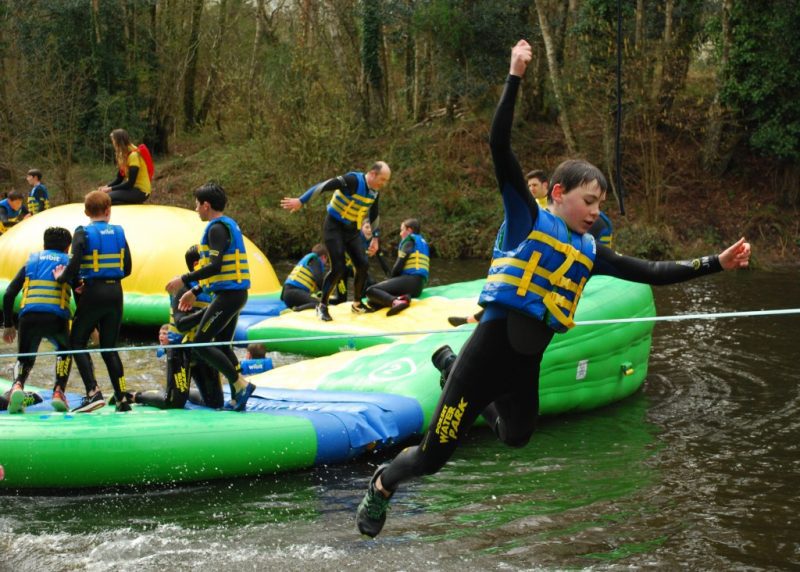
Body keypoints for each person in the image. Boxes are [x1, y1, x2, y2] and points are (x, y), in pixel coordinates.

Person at [354, 39, 752, 538]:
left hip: (524, 366)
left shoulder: (590, 252)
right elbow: (499, 146)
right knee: (433, 458)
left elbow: (652, 271)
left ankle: (449, 370)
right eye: (588, 201)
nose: (595, 212)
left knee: (517, 438)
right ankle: (383, 484)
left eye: (600, 204)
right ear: (559, 194)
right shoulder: (526, 219)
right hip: (485, 357)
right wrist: (514, 75)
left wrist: (715, 262)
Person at [165, 182, 255, 412]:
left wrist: (184, 279)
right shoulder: (227, 225)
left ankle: (241, 385)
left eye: (197, 204)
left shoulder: (216, 228)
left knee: (202, 343)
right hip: (234, 294)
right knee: (224, 346)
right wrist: (195, 291)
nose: (195, 209)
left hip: (229, 296)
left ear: (206, 205)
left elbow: (215, 266)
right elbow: (218, 271)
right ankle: (238, 395)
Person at [280, 161, 391, 321]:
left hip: (352, 230)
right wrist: (301, 201)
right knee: (338, 267)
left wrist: (375, 238)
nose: (384, 183)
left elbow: (374, 215)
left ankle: (357, 304)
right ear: (373, 174)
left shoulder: (374, 192)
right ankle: (322, 306)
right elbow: (324, 186)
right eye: (383, 179)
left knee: (363, 264)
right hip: (334, 227)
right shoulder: (352, 180)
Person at [54, 191, 133, 413]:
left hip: (93, 292)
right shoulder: (119, 232)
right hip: (116, 293)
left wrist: (64, 278)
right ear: (108, 210)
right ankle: (122, 397)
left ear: (87, 212)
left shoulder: (82, 232)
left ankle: (93, 392)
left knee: (76, 341)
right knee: (110, 348)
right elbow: (127, 268)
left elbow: (75, 262)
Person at [135, 246, 224, 410]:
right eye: (209, 261)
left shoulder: (210, 287)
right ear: (197, 264)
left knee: (216, 403)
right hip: (180, 349)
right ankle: (136, 395)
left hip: (201, 348)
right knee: (174, 402)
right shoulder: (181, 288)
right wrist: (208, 311)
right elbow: (181, 323)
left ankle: (184, 391)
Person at [2, 227, 74, 413]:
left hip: (28, 318)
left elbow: (9, 294)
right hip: (56, 318)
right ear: (68, 247)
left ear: (44, 245)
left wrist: (8, 324)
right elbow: (81, 294)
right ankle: (59, 391)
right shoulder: (69, 263)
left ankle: (17, 386)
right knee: (64, 352)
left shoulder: (31, 262)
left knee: (25, 358)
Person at [364, 218, 430, 316]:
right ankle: (404, 298)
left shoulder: (409, 241)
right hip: (418, 286)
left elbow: (398, 266)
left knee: (371, 291)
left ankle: (397, 302)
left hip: (410, 282)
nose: (400, 233)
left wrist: (391, 279)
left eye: (402, 230)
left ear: (409, 230)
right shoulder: (421, 242)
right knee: (372, 301)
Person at [97, 129, 151, 205]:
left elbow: (130, 184)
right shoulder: (123, 155)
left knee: (105, 199)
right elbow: (119, 178)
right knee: (103, 197)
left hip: (141, 192)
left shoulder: (134, 156)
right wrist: (106, 186)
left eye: (113, 141)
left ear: (118, 142)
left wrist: (109, 189)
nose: (113, 143)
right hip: (132, 189)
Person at [281, 243, 328, 312]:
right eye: (327, 259)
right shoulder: (315, 260)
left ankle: (294, 308)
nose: (326, 263)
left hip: (287, 294)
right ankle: (295, 311)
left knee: (313, 300)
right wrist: (325, 293)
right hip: (293, 293)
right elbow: (319, 279)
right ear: (324, 257)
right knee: (319, 304)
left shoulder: (309, 259)